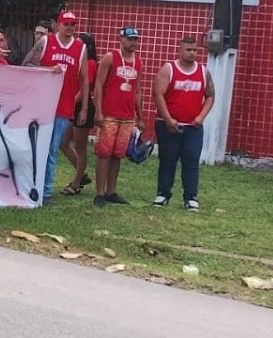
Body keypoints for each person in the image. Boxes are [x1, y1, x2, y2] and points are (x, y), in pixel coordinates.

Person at [28, 11, 88, 205]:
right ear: (58, 25)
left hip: (63, 106)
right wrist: (47, 69)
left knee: (52, 149)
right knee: (36, 147)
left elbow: (85, 79)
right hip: (41, 103)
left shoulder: (80, 48)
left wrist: (84, 107)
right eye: (66, 23)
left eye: (73, 24)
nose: (70, 27)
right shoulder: (46, 42)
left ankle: (45, 192)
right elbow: (27, 65)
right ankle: (30, 185)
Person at [152, 36, 215, 211]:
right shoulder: (169, 69)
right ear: (180, 50)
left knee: (191, 160)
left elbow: (210, 95)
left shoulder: (203, 71)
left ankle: (191, 197)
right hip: (169, 125)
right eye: (188, 50)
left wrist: (201, 116)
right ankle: (163, 194)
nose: (192, 53)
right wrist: (167, 118)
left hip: (193, 127)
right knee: (167, 160)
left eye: (195, 50)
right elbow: (158, 94)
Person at [91, 27, 145, 206]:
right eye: (130, 39)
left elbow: (137, 91)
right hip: (109, 113)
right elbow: (98, 84)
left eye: (135, 39)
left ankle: (111, 191)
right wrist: (98, 110)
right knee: (104, 153)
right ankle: (99, 193)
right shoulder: (110, 58)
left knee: (118, 154)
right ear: (121, 39)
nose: (133, 43)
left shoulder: (138, 61)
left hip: (127, 115)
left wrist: (140, 116)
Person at [63, 33, 99, 197]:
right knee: (63, 142)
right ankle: (81, 173)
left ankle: (76, 183)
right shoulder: (79, 62)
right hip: (73, 105)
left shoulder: (90, 64)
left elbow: (86, 87)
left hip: (82, 106)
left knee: (80, 146)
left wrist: (70, 102)